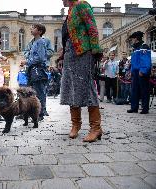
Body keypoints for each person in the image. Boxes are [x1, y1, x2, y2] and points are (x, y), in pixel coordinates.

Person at [60, 0, 103, 142]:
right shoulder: (70, 11)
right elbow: (68, 37)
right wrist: (62, 55)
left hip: (83, 53)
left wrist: (96, 51)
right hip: (69, 55)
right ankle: (75, 125)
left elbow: (92, 28)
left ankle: (96, 128)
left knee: (87, 87)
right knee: (71, 88)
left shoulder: (82, 4)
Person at [22, 23, 48, 121]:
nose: (31, 29)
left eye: (33, 28)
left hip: (38, 70)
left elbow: (40, 58)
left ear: (39, 31)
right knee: (31, 92)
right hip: (32, 70)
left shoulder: (40, 42)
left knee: (39, 92)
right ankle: (30, 113)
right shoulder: (34, 42)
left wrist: (27, 61)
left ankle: (40, 114)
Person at [127, 31, 152, 114]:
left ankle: (145, 108)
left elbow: (145, 60)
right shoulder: (135, 48)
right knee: (134, 90)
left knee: (144, 90)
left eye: (133, 38)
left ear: (136, 38)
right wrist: (131, 71)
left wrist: (143, 70)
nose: (132, 40)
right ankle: (134, 107)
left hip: (142, 71)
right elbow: (134, 62)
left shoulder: (144, 46)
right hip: (135, 72)